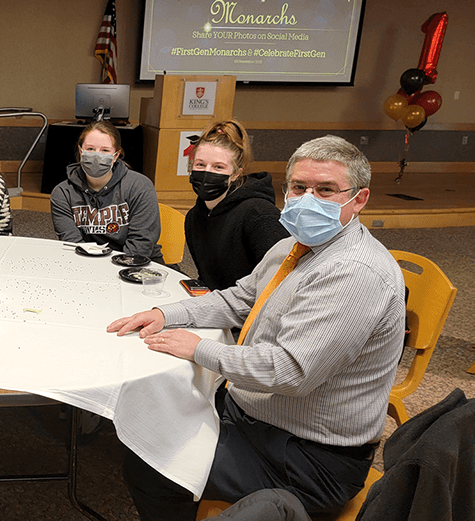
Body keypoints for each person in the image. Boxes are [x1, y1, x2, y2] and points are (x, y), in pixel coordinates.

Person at [107, 135, 405, 520]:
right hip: (257, 417)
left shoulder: (354, 272)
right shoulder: (293, 246)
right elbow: (240, 298)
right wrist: (167, 314)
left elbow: (289, 371)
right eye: (299, 187)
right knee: (153, 408)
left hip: (308, 459)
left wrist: (198, 348)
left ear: (359, 199)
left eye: (326, 190)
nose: (308, 199)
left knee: (152, 461)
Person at [185, 120, 288, 290]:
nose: (207, 172)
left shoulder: (260, 215)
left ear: (235, 175)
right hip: (215, 305)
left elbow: (280, 283)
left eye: (218, 167)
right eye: (200, 164)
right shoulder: (193, 217)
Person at [50, 121, 164, 264]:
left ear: (116, 155)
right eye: (90, 149)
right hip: (87, 264)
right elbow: (73, 244)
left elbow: (141, 244)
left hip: (137, 263)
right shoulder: (62, 193)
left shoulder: (140, 186)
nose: (97, 155)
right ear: (80, 151)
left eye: (105, 150)